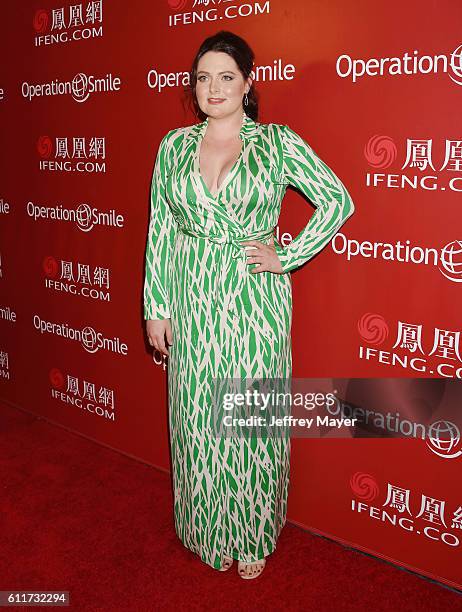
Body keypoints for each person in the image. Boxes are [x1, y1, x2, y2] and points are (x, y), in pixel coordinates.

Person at [143, 30, 355, 579]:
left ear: (248, 81)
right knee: (197, 418)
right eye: (203, 78)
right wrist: (156, 305)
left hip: (253, 297)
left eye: (226, 77)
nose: (213, 88)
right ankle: (206, 529)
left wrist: (289, 255)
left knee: (249, 418)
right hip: (191, 293)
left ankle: (253, 532)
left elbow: (337, 199)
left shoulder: (277, 143)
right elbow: (162, 229)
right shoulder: (173, 146)